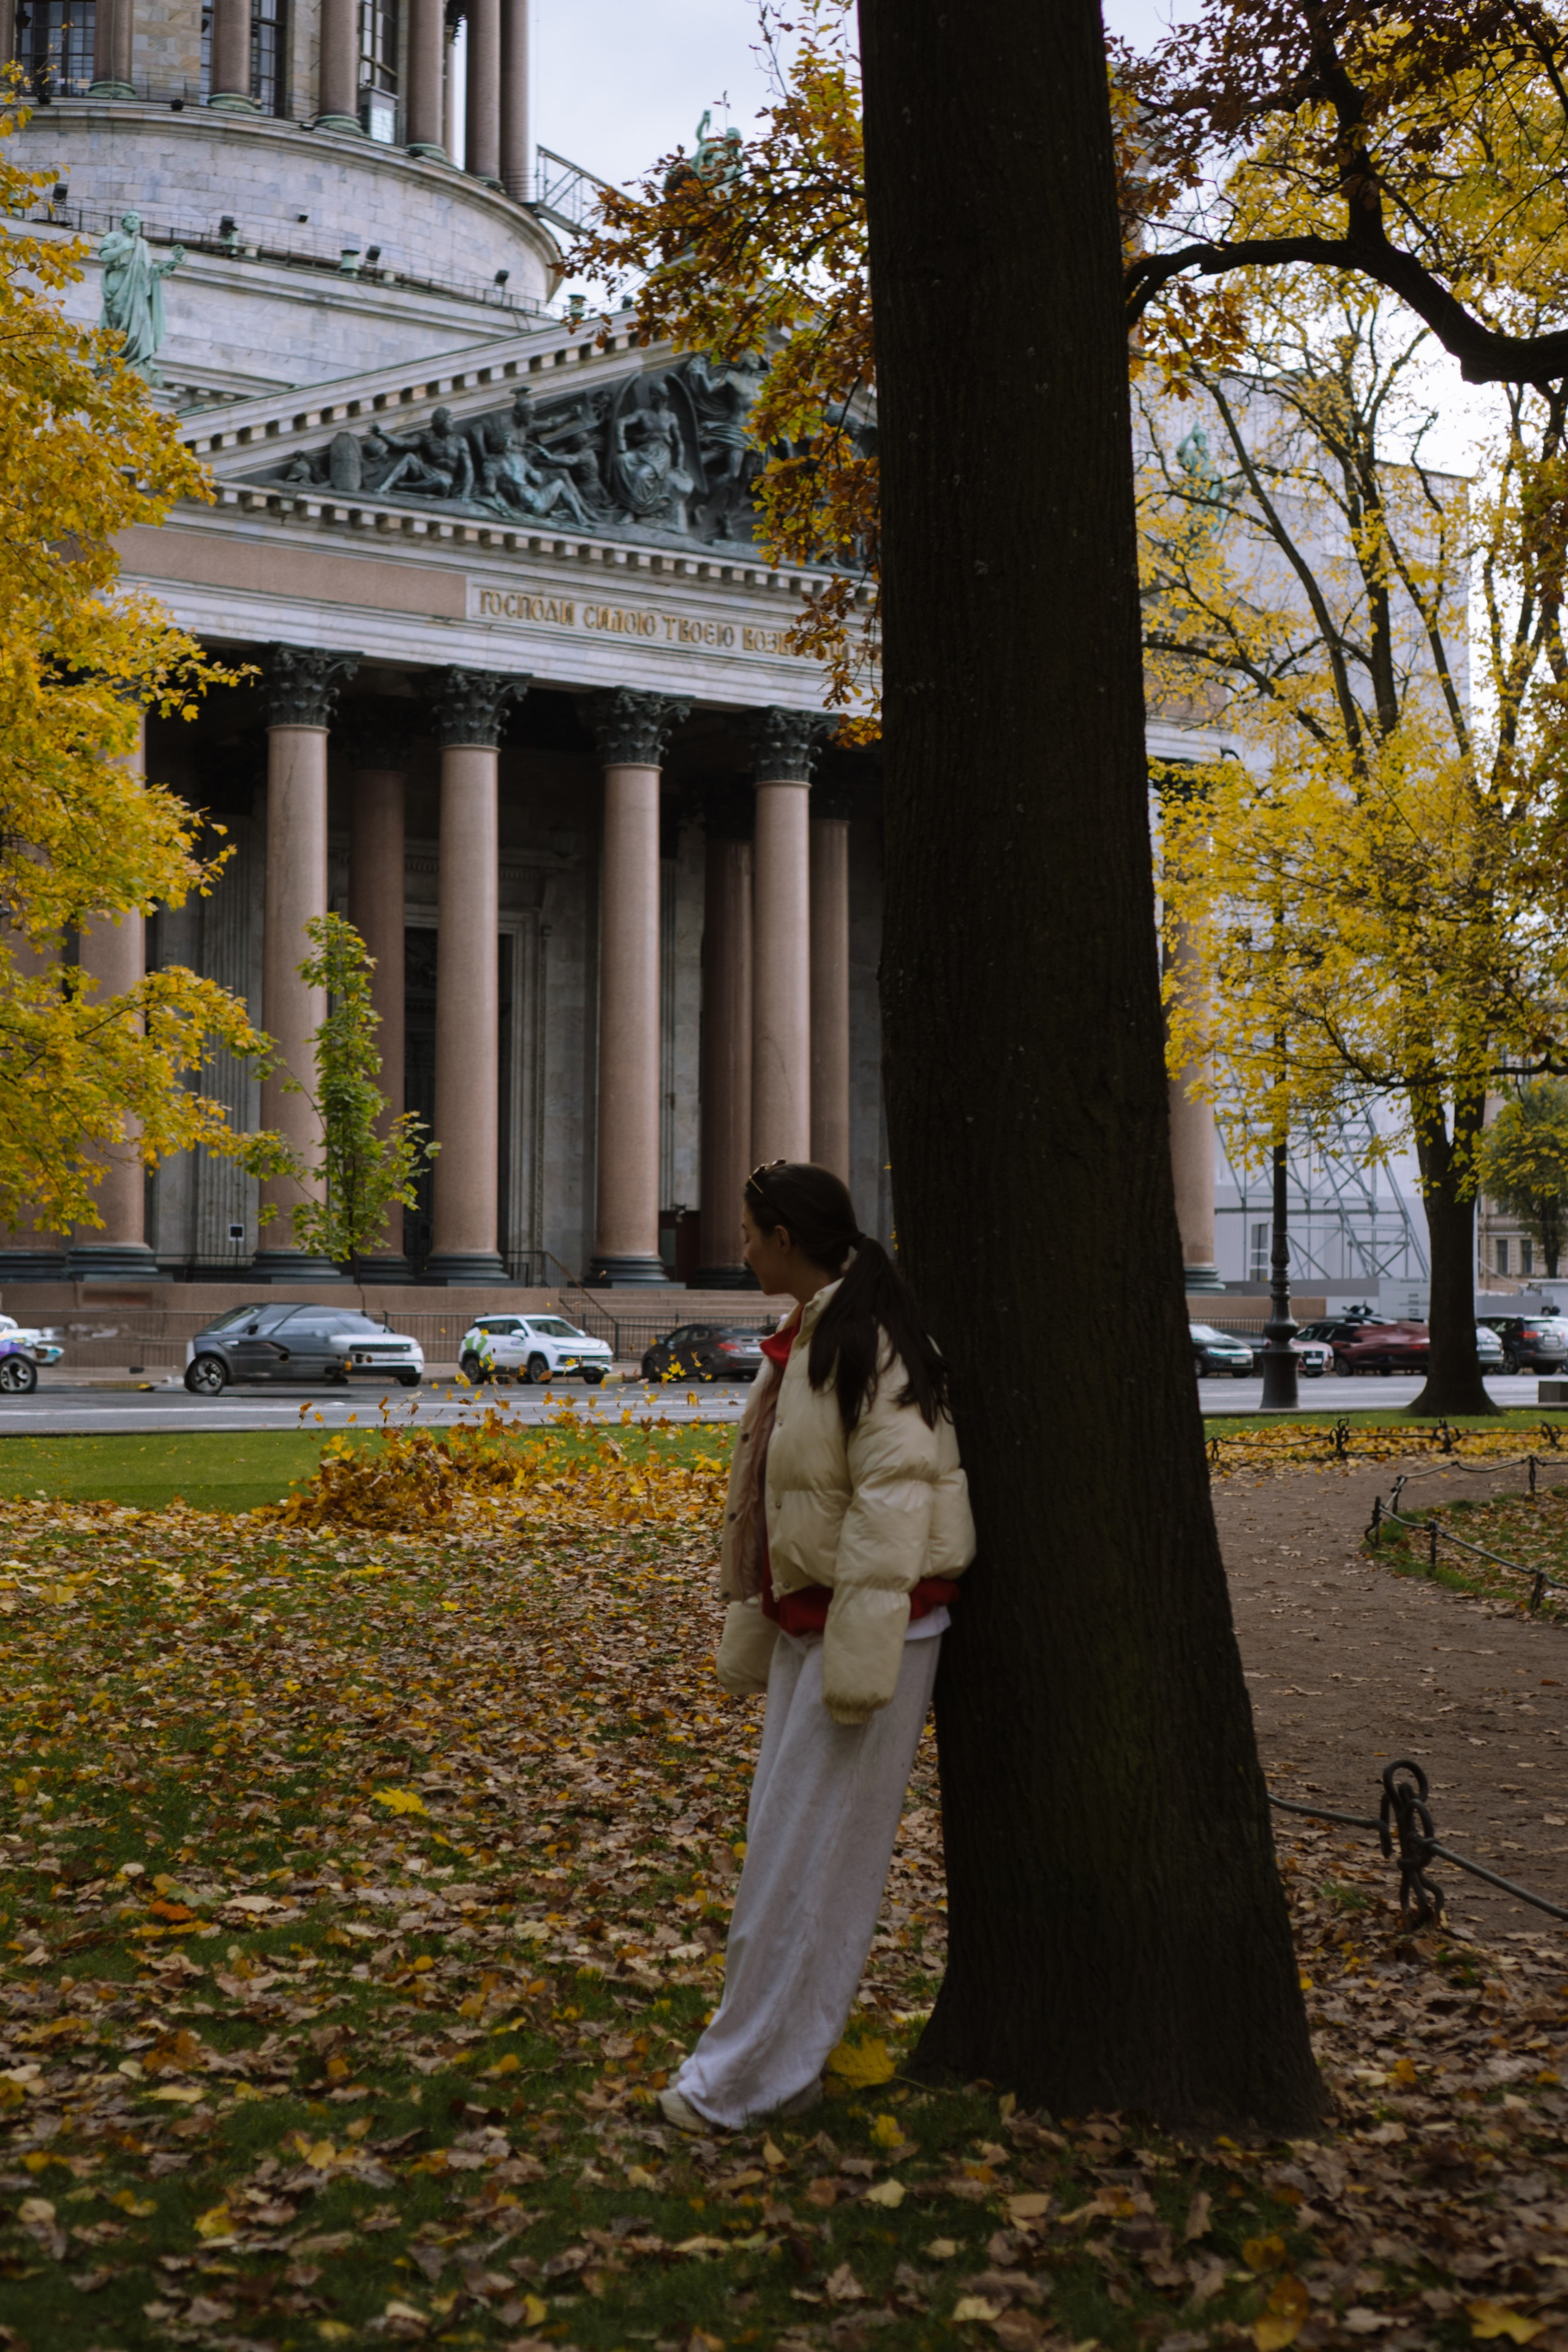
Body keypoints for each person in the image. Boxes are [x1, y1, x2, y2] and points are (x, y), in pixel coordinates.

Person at [661, 1161, 975, 2133]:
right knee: (783, 1860)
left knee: (810, 1870)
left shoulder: (870, 1345)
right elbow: (775, 1507)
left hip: (872, 1632)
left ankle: (746, 2084)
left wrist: (861, 1661)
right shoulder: (807, 1339)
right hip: (818, 1624)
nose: (741, 1248)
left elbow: (894, 1504)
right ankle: (758, 2071)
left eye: (749, 1233)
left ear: (786, 1240)